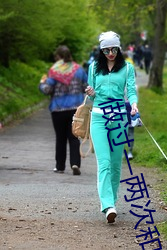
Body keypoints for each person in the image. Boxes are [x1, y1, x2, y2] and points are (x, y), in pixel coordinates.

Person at [85, 31, 138, 223]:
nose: (110, 53)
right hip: (98, 118)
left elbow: (131, 90)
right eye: (106, 50)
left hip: (119, 118)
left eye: (114, 49)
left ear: (119, 48)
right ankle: (107, 205)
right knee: (104, 162)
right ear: (101, 50)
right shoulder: (93, 68)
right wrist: (90, 92)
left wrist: (133, 104)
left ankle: (113, 201)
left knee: (116, 164)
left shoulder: (127, 68)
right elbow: (91, 97)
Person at [39, 45, 88, 175]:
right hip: (75, 109)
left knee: (60, 138)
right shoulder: (79, 70)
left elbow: (47, 90)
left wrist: (42, 83)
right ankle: (75, 163)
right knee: (74, 137)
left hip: (58, 109)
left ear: (58, 57)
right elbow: (86, 87)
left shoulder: (54, 71)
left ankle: (60, 166)